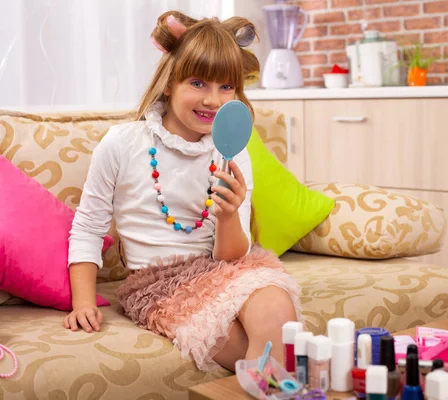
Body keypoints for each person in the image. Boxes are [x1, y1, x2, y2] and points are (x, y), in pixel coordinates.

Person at [64, 11, 301, 372]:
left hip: (222, 267)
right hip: (159, 284)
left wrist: (226, 216)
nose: (213, 100)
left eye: (226, 87)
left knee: (278, 314)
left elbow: (231, 254)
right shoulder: (123, 144)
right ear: (170, 82)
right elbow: (87, 228)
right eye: (198, 83)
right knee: (239, 347)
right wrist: (82, 301)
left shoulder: (232, 151)